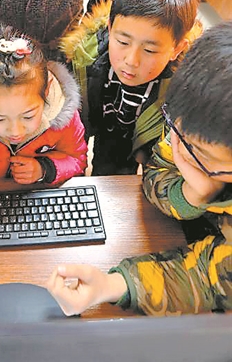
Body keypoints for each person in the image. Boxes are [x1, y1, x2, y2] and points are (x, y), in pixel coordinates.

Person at [47, 21, 232, 316]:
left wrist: (115, 285)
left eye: (199, 155)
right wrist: (192, 194)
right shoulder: (190, 130)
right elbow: (157, 170)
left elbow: (211, 278)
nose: (179, 151)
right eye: (175, 132)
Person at [60, 0, 202, 175]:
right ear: (110, 28)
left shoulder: (184, 88)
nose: (131, 61)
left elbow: (170, 165)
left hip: (155, 142)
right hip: (108, 126)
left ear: (177, 49)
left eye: (149, 50)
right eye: (123, 42)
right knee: (107, 167)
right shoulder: (85, 58)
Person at [0, 29, 87, 185]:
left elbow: (77, 158)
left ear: (46, 90)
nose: (15, 132)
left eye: (28, 116)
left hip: (36, 192)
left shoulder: (65, 118)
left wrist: (45, 169)